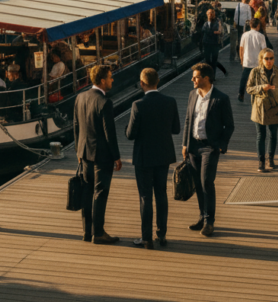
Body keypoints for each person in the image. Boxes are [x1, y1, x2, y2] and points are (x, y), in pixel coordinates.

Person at [125, 68, 181, 249]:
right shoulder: (170, 102)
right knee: (161, 194)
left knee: (145, 196)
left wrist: (129, 126)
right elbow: (176, 129)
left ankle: (146, 238)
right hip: (163, 154)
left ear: (142, 83)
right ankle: (162, 233)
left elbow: (130, 135)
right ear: (158, 81)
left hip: (143, 156)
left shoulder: (138, 105)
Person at [182, 63, 234, 237]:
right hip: (193, 146)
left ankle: (209, 222)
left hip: (210, 147)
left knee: (206, 182)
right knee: (198, 183)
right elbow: (188, 120)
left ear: (206, 78)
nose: (192, 80)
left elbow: (230, 125)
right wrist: (184, 144)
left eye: (196, 77)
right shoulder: (192, 95)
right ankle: (201, 217)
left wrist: (220, 145)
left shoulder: (221, 98)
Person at [74, 65, 122, 244]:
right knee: (100, 193)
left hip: (84, 152)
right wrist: (116, 156)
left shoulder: (80, 97)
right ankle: (99, 232)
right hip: (102, 155)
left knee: (87, 192)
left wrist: (78, 151)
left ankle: (87, 232)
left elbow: (76, 126)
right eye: (110, 77)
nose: (112, 80)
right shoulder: (105, 102)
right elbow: (109, 132)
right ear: (102, 80)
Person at [246, 49, 278, 172]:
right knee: (261, 135)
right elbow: (249, 89)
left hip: (275, 107)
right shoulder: (255, 72)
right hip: (260, 108)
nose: (269, 61)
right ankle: (261, 161)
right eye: (266, 58)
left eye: (271, 58)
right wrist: (261, 88)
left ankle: (271, 158)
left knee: (273, 134)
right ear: (261, 59)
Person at [238, 18, 268, 103]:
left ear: (250, 25)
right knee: (258, 79)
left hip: (247, 61)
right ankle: (257, 94)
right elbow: (264, 50)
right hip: (257, 62)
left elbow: (241, 48)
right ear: (258, 26)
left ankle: (241, 94)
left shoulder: (244, 35)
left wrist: (241, 59)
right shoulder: (261, 36)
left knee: (244, 79)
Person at [200, 9, 227, 77]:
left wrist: (213, 32)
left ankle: (212, 76)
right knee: (207, 60)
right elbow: (204, 30)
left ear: (214, 15)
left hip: (215, 44)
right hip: (206, 43)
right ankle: (210, 74)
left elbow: (219, 31)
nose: (210, 15)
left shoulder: (217, 23)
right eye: (209, 13)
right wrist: (213, 32)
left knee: (214, 60)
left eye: (212, 13)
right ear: (207, 14)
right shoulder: (205, 23)